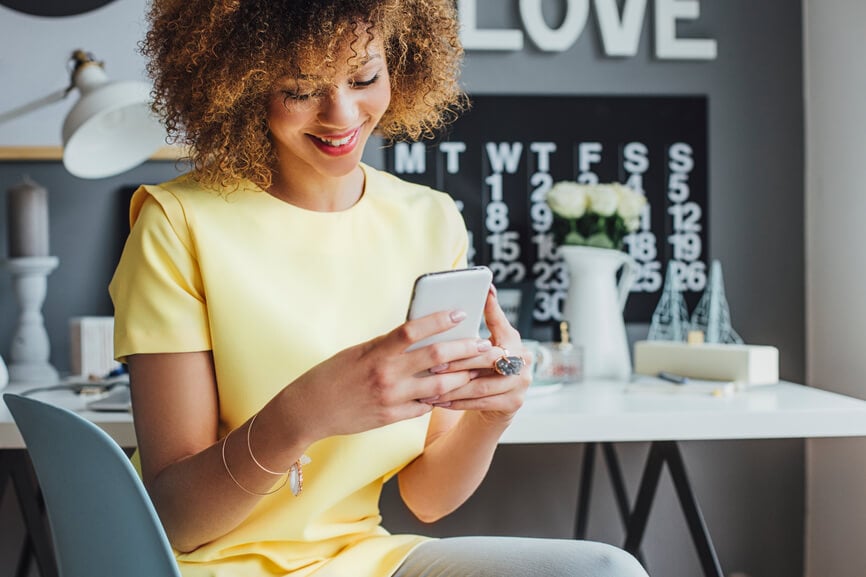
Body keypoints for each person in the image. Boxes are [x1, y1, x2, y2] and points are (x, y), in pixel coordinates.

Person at [109, 1, 650, 576]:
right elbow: (175, 521)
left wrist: (490, 418)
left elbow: (426, 497)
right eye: (299, 89)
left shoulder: (430, 220)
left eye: (365, 78)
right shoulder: (178, 224)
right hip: (211, 566)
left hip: (363, 559)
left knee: (607, 571)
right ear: (242, 84)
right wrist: (303, 416)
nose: (341, 113)